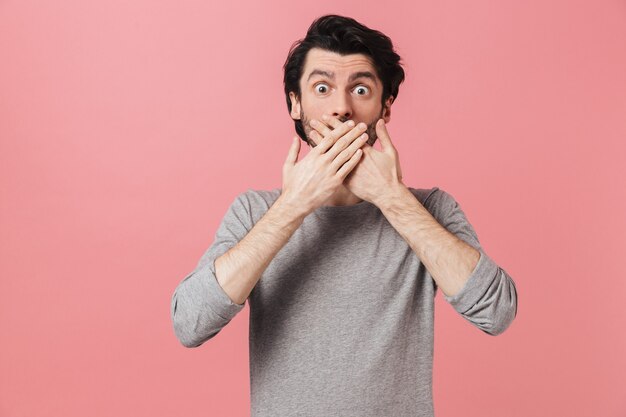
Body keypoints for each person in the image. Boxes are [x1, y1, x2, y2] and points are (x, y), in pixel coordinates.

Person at [170, 14, 518, 417]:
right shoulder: (255, 212)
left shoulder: (431, 209)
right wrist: (294, 205)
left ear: (386, 106)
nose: (341, 108)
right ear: (295, 104)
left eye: (361, 89)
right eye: (322, 88)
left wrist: (393, 199)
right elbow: (190, 323)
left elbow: (497, 313)